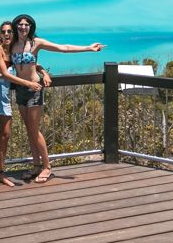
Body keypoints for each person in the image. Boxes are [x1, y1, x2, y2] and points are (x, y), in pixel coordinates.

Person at [10, 13, 104, 183]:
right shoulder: (12, 44)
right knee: (29, 130)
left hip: (34, 89)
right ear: (16, 26)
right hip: (20, 89)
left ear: (31, 27)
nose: (23, 27)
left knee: (34, 129)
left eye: (26, 25)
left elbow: (64, 48)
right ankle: (36, 166)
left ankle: (47, 167)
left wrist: (88, 48)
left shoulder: (36, 43)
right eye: (20, 25)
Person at [0, 21, 42, 192]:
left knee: (5, 135)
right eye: (3, 31)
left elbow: (29, 61)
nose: (7, 34)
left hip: (4, 95)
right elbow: (4, 73)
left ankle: (0, 173)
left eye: (9, 31)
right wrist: (29, 83)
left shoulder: (10, 49)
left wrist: (43, 72)